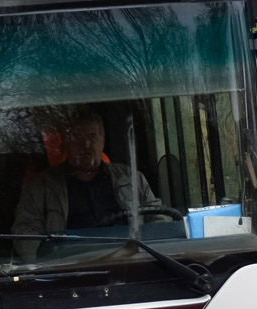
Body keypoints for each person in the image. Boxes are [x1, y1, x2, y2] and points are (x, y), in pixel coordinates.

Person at [11, 107, 162, 260]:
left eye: (92, 136)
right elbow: (25, 234)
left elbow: (160, 218)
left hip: (130, 263)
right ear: (66, 143)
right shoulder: (41, 186)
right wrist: (48, 261)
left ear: (102, 140)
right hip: (69, 270)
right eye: (77, 137)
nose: (86, 144)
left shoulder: (131, 178)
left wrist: (144, 252)